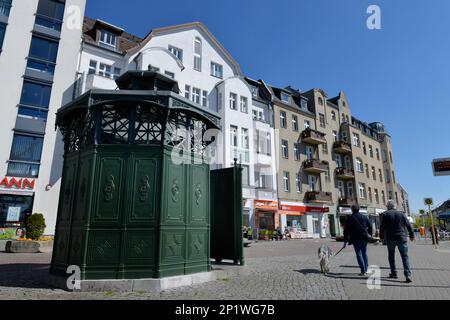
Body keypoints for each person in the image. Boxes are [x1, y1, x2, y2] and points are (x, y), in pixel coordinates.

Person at [380, 200, 414, 283]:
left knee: (391, 256)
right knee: (405, 256)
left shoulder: (385, 214)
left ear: (388, 206)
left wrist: (380, 236)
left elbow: (382, 227)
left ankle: (394, 273)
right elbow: (408, 225)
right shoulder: (401, 214)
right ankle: (407, 275)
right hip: (402, 238)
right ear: (395, 206)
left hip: (390, 238)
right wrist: (411, 235)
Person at [344, 204, 373, 277]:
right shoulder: (364, 217)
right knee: (364, 253)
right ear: (359, 209)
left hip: (355, 239)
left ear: (352, 209)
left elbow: (346, 230)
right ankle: (366, 269)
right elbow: (370, 226)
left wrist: (345, 240)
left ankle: (363, 271)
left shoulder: (350, 218)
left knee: (359, 254)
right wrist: (370, 234)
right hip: (364, 238)